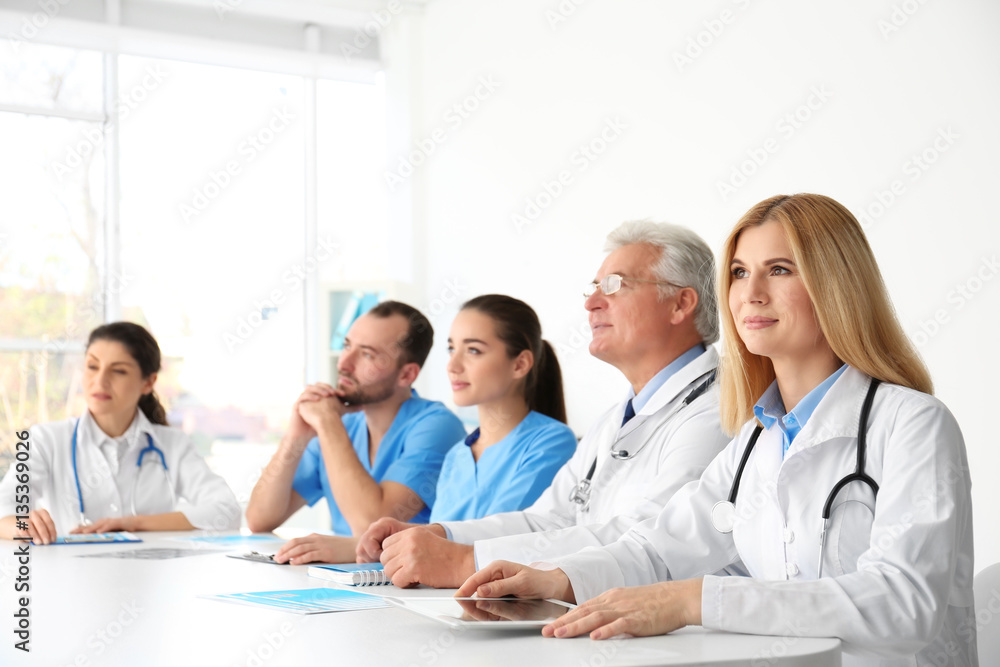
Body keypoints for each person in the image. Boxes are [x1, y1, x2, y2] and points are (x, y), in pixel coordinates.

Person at [458, 194, 977, 667]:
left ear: (835, 284)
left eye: (778, 270)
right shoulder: (757, 438)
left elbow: (904, 603)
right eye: (737, 272)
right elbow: (661, 548)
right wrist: (560, 579)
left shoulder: (913, 424)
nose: (748, 293)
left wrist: (693, 600)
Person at [356, 221, 731, 588]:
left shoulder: (717, 412)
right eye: (593, 288)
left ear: (681, 303)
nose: (592, 303)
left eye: (615, 285)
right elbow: (549, 519)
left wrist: (463, 561)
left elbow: (651, 537)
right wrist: (439, 533)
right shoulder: (613, 421)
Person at [271, 294, 579, 566]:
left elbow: (503, 543)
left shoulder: (551, 442)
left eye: (473, 350)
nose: (452, 365)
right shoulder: (459, 454)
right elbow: (434, 544)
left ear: (520, 364)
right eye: (451, 349)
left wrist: (358, 547)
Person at [245, 301, 466, 556]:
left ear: (406, 375)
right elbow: (259, 519)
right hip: (344, 577)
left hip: (407, 586)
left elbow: (369, 530)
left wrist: (327, 423)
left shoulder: (437, 426)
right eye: (347, 346)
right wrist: (296, 435)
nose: (344, 364)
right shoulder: (343, 426)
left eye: (367, 354)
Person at [0, 322, 240, 543]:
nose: (100, 381)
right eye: (92, 367)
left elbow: (227, 511)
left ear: (148, 382)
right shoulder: (45, 440)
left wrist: (133, 524)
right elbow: (5, 510)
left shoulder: (173, 444)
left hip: (152, 580)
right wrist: (24, 527)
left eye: (119, 371)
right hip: (70, 579)